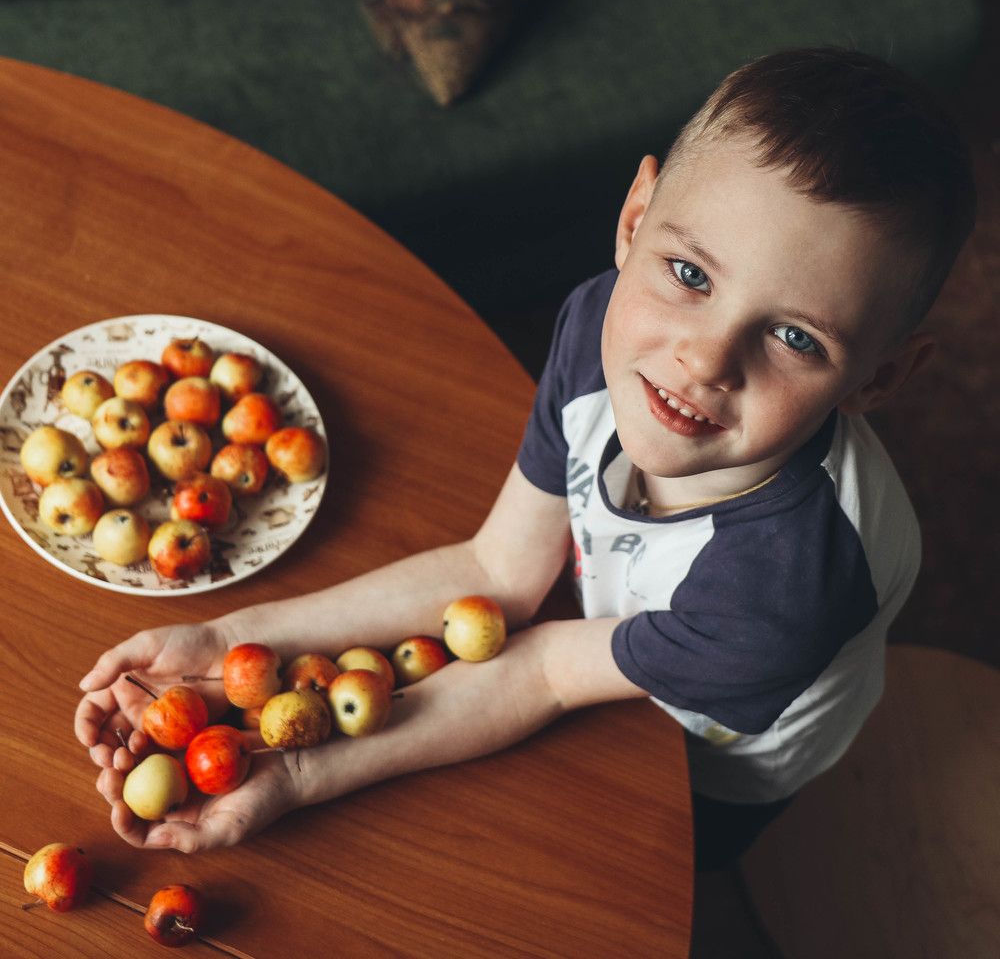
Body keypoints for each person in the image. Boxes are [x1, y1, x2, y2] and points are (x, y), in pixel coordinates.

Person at [74, 47, 976, 870]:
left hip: (725, 752)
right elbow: (499, 570)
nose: (703, 359)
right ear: (633, 220)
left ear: (879, 378)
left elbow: (542, 668)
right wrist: (230, 639)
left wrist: (303, 778)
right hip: (623, 625)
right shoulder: (601, 330)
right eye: (692, 275)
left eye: (792, 337)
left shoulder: (784, 586)